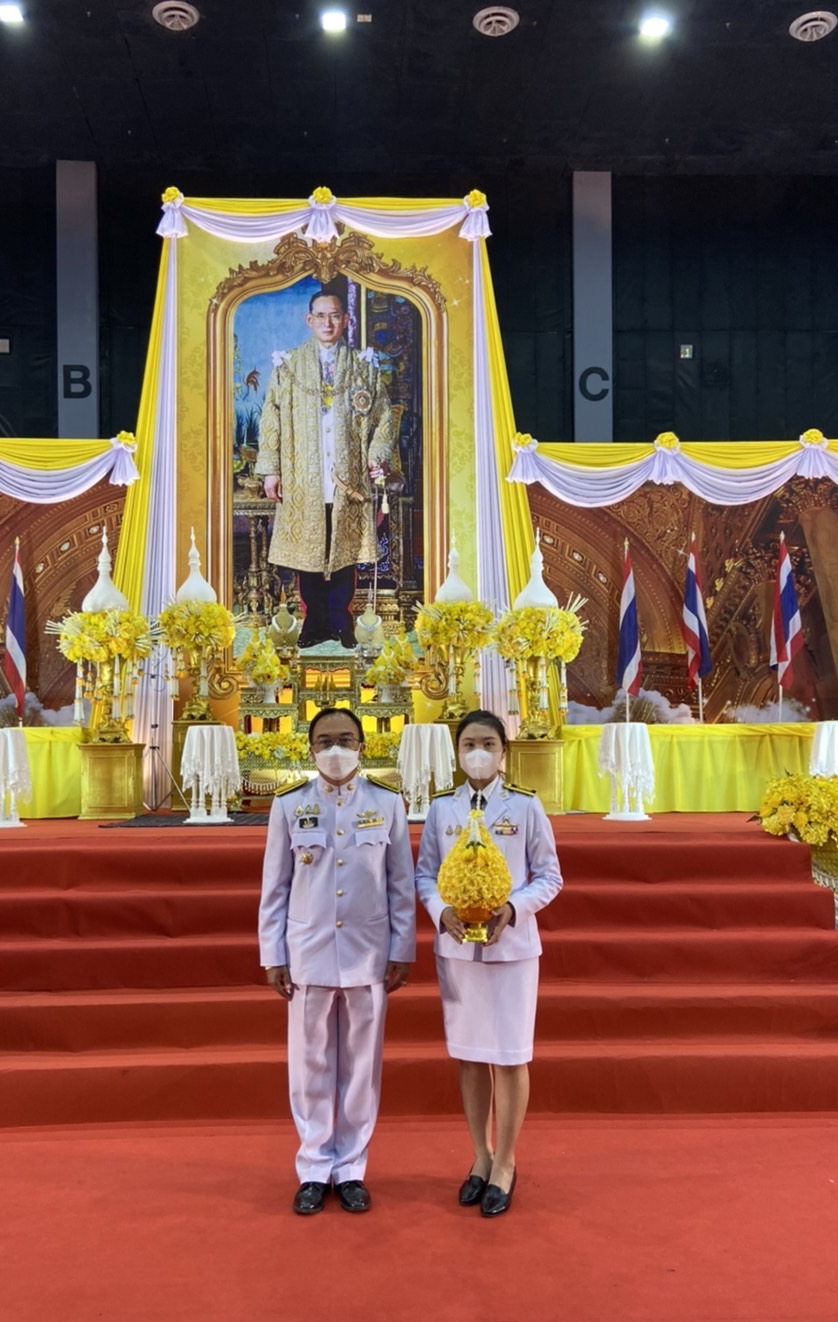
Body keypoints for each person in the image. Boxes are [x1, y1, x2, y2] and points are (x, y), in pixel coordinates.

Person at [259, 706, 415, 1215]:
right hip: (309, 952)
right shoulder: (289, 804)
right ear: (310, 749)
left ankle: (350, 1168)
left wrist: (402, 948)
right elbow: (276, 887)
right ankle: (312, 1167)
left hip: (368, 952)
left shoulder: (386, 802)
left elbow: (400, 883)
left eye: (345, 739)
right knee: (310, 1065)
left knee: (362, 1066)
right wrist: (273, 954)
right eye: (325, 740)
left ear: (362, 746)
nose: (335, 749)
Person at [414, 710, 562, 1218]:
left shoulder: (525, 805)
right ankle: (480, 1154)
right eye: (468, 745)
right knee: (471, 1055)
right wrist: (442, 911)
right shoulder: (442, 808)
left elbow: (549, 876)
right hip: (459, 950)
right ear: (457, 753)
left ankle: (506, 1161)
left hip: (512, 950)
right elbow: (425, 875)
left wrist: (514, 909)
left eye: (488, 744)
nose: (478, 753)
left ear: (503, 752)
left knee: (511, 1055)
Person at [256, 282, 395, 649]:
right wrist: (271, 470)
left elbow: (383, 418)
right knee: (310, 551)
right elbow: (270, 420)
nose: (328, 323)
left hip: (348, 477)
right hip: (303, 476)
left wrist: (376, 456)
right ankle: (314, 622)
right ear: (309, 320)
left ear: (345, 319)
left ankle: (341, 622)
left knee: (344, 550)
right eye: (321, 316)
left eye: (335, 316)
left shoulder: (363, 367)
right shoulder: (288, 366)